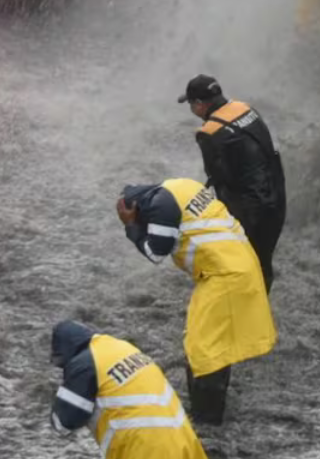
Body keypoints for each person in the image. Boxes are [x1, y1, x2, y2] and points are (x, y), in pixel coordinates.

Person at [116, 177, 277, 425]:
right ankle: (209, 412)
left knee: (204, 350)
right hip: (237, 263)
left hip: (225, 275)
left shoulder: (159, 208)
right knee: (210, 341)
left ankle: (207, 422)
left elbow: (155, 252)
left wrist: (131, 227)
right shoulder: (179, 185)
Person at [178, 73, 287, 293]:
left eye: (190, 104)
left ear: (200, 104)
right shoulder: (246, 109)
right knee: (264, 260)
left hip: (249, 208)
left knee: (243, 264)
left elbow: (219, 176)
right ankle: (261, 303)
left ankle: (249, 311)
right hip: (276, 194)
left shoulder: (208, 133)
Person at [48, 319, 209, 459]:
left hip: (147, 451)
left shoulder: (83, 364)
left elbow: (63, 422)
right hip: (186, 443)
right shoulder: (121, 346)